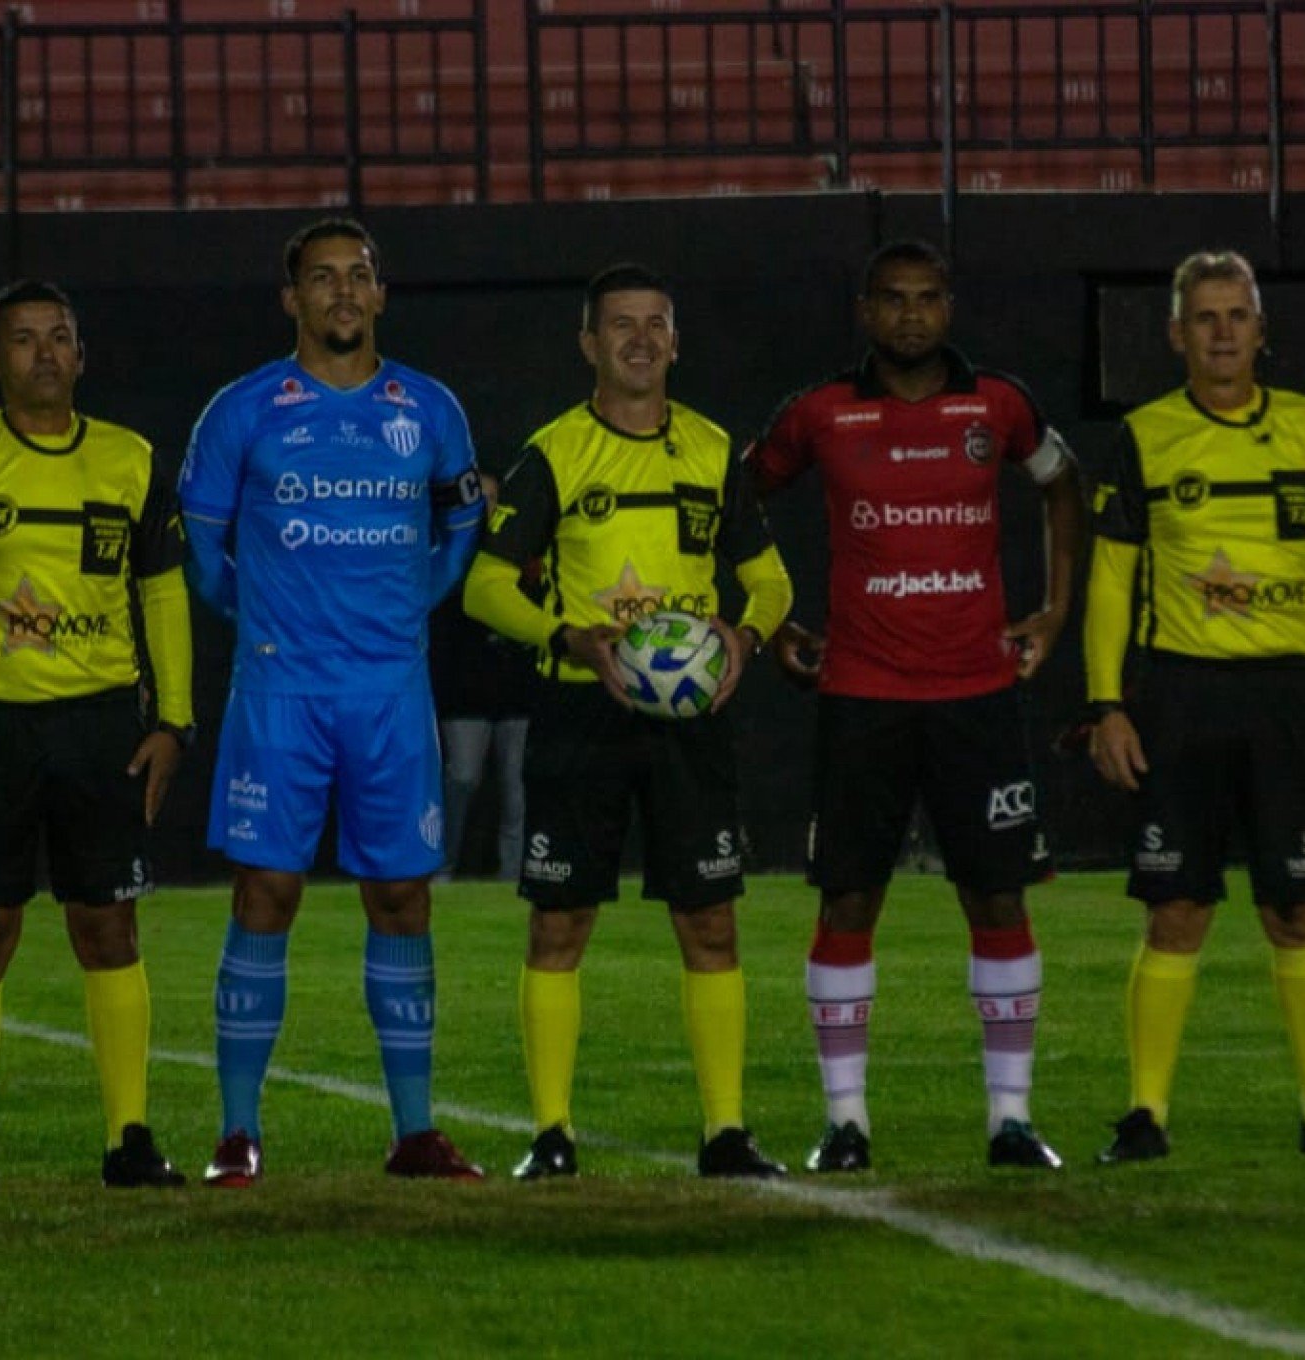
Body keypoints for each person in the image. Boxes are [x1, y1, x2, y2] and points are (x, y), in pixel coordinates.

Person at [746, 238, 1085, 1174]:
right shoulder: (819, 414)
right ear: (865, 311)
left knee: (998, 895)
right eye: (892, 299)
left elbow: (1066, 488)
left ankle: (1011, 1120)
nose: (910, 315)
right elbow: (740, 497)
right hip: (861, 696)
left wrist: (1055, 613)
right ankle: (845, 1123)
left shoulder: (1000, 406)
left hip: (977, 696)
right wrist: (771, 620)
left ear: (950, 307)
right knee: (850, 900)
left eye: (927, 298)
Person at [463, 262, 795, 1179]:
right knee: (559, 927)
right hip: (581, 715)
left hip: (689, 723)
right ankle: (552, 1137)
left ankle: (726, 1133)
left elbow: (769, 579)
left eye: (657, 324)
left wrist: (746, 634)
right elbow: (486, 589)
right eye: (621, 325)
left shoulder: (714, 449)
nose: (641, 339)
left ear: (677, 342)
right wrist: (566, 637)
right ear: (588, 345)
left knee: (712, 926)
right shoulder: (554, 455)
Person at [180, 217, 486, 1184]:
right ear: (291, 299)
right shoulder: (242, 411)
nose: (343, 292)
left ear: (382, 295)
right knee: (265, 892)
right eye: (322, 278)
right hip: (279, 691)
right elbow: (202, 549)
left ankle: (414, 1132)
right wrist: (262, 616)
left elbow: (462, 526)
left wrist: (411, 606)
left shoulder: (431, 409)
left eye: (360, 276)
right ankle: (237, 1132)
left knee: (400, 895)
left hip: (390, 691)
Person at [1083, 248, 1305, 1162]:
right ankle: (1145, 1116)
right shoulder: (1144, 437)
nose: (1223, 334)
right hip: (1183, 695)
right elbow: (1112, 580)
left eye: (1238, 317)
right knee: (1176, 909)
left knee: (1296, 910)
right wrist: (1107, 703)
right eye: (1205, 319)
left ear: (1262, 331)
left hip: (1294, 695)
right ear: (1177, 335)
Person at [0, 279, 193, 1195]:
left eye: (60, 336)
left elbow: (163, 597)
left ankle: (130, 1138)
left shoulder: (132, 463)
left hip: (102, 726)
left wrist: (173, 719)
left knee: (110, 925)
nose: (44, 354)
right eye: (23, 341)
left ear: (81, 354)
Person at [429, 475, 536, 880]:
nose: (485, 507)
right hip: (464, 693)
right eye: (479, 498)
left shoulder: (521, 553)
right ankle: (440, 867)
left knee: (518, 790)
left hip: (516, 693)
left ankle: (516, 877)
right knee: (462, 778)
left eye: (492, 499)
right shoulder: (448, 555)